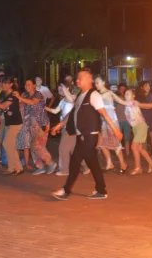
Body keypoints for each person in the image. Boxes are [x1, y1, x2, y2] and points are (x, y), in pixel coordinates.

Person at [50, 70, 123, 200]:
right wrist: (60, 124)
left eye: (80, 79)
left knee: (75, 161)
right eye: (77, 79)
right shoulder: (80, 95)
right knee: (92, 163)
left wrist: (115, 130)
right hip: (82, 135)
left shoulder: (94, 95)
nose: (77, 81)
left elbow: (104, 114)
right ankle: (101, 190)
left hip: (89, 135)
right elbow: (73, 113)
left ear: (89, 80)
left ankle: (66, 190)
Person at [16, 78, 56, 175]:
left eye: (29, 84)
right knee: (32, 146)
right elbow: (20, 106)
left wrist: (19, 98)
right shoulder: (24, 95)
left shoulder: (38, 94)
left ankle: (50, 163)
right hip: (29, 124)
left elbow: (32, 102)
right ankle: (40, 166)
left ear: (34, 85)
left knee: (37, 145)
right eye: (25, 85)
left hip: (40, 123)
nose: (27, 86)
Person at [93, 76, 128, 172]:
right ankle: (109, 163)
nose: (96, 85)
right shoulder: (97, 94)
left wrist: (132, 103)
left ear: (103, 82)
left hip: (112, 122)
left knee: (116, 143)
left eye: (97, 82)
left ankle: (123, 165)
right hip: (103, 122)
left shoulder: (108, 93)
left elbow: (121, 101)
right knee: (102, 144)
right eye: (95, 83)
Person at [118, 88, 152, 174]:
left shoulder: (134, 102)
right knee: (140, 148)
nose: (126, 95)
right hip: (135, 128)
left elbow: (121, 101)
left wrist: (111, 94)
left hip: (141, 126)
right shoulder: (127, 105)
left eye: (128, 94)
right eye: (125, 94)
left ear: (133, 96)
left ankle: (138, 168)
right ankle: (151, 162)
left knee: (133, 147)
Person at [0, 78, 24, 175]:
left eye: (6, 83)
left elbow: (3, 106)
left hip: (16, 122)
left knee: (6, 143)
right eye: (3, 83)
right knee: (9, 145)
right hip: (8, 122)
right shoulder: (3, 93)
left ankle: (17, 167)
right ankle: (12, 168)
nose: (4, 85)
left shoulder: (13, 94)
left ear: (11, 84)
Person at [137, 81, 152, 163]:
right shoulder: (139, 97)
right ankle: (146, 155)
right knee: (143, 138)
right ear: (142, 87)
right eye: (146, 85)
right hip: (142, 118)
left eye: (148, 85)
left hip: (151, 117)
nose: (148, 87)